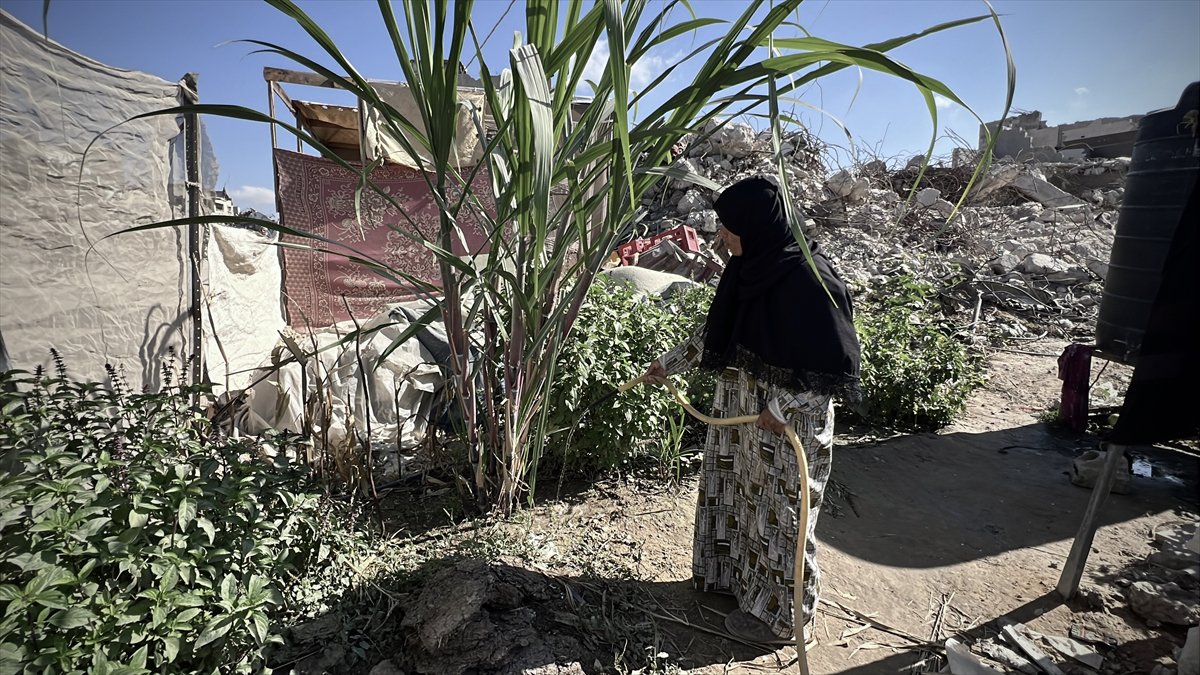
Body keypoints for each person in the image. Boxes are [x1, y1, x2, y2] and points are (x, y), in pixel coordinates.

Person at [643, 175, 861, 644]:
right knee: (737, 502)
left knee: (782, 519)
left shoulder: (811, 279)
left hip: (787, 426)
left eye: (728, 228)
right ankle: (736, 586)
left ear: (759, 227)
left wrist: (782, 406)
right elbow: (715, 333)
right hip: (741, 414)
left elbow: (833, 362)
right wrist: (668, 364)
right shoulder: (747, 269)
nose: (720, 237)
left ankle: (784, 617)